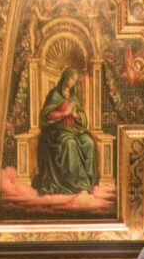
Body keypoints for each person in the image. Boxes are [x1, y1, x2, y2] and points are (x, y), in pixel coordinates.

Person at [32, 67, 98, 196]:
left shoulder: (73, 97)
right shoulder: (55, 94)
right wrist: (64, 113)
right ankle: (78, 184)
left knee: (89, 142)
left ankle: (89, 181)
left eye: (75, 80)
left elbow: (83, 117)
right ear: (65, 77)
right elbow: (47, 115)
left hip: (74, 130)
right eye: (71, 78)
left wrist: (75, 115)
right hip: (57, 131)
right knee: (70, 144)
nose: (73, 82)